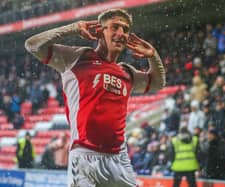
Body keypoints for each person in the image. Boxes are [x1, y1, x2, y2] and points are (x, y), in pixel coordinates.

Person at [25, 9, 165, 187]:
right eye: (115, 27)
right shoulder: (77, 58)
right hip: (84, 155)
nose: (121, 33)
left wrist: (153, 56)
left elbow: (157, 84)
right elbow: (32, 45)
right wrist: (73, 27)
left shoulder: (127, 72)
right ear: (100, 31)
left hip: (119, 158)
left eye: (125, 29)